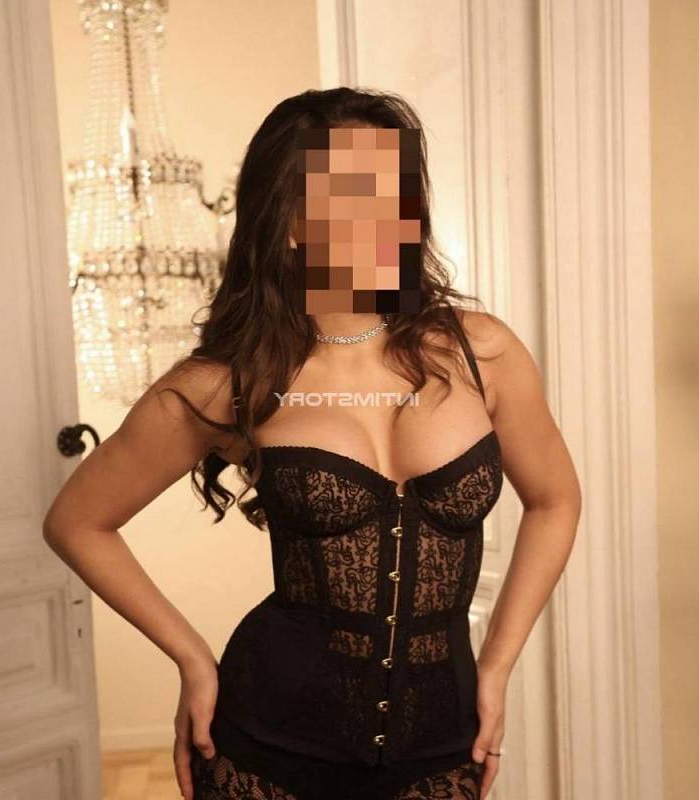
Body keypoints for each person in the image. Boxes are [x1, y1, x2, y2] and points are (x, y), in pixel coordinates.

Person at [43, 87, 582, 800]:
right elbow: (78, 520)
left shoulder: (480, 352)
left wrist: (498, 664)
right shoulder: (232, 380)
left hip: (441, 739)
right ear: (292, 219)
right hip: (268, 744)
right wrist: (192, 658)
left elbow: (555, 500)